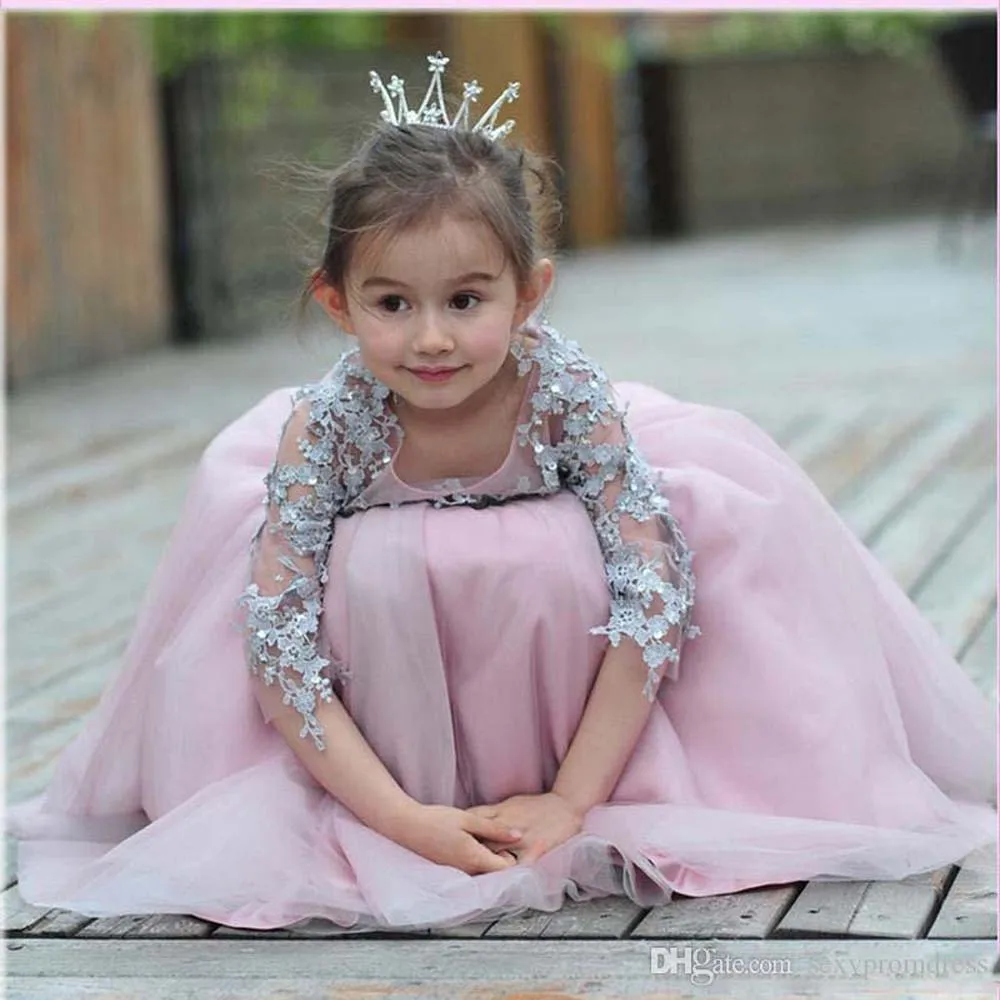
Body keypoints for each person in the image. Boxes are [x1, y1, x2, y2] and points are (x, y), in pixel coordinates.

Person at [10, 53, 995, 933]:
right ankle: (424, 788)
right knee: (358, 577)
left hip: (577, 693)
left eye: (466, 300)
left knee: (662, 543)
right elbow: (278, 645)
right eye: (392, 303)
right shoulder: (329, 427)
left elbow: (653, 601)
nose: (431, 339)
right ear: (334, 302)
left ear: (530, 294)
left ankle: (580, 776)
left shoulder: (564, 395)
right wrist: (400, 820)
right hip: (379, 729)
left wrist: (571, 803)